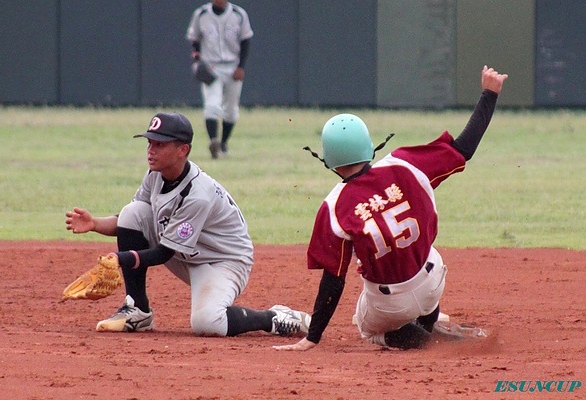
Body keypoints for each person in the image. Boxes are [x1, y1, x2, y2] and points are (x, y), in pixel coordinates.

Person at [274, 66, 508, 351]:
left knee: (363, 324)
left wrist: (312, 337)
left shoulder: (335, 205)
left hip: (390, 304)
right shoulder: (404, 163)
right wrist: (489, 94)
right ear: (369, 146)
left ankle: (418, 339)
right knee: (424, 256)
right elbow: (464, 149)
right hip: (433, 280)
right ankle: (430, 320)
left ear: (329, 161)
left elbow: (333, 280)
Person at [65, 112, 310, 337]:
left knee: (207, 322)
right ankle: (137, 311)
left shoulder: (198, 194)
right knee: (133, 212)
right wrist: (95, 223)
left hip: (222, 262)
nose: (150, 150)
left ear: (182, 150)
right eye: (149, 142)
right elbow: (129, 222)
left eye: (159, 144)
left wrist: (120, 259)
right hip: (186, 250)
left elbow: (163, 253)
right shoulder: (155, 174)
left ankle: (272, 318)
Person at [186, 0, 253, 159]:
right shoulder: (201, 14)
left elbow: (246, 41)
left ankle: (223, 143)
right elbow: (194, 40)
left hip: (232, 65)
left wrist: (241, 67)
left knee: (231, 111)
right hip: (211, 67)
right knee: (212, 106)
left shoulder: (239, 14)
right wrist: (197, 62)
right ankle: (213, 143)